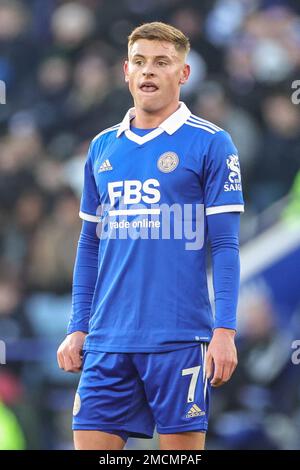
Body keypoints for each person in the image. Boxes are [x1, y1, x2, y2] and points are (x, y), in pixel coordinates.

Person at [57, 22, 244, 450]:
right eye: (140, 62)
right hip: (107, 339)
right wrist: (78, 326)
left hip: (179, 338)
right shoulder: (103, 147)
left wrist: (226, 330)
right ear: (126, 70)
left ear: (184, 72)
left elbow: (225, 245)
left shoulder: (212, 144)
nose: (149, 71)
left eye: (162, 62)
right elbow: (89, 244)